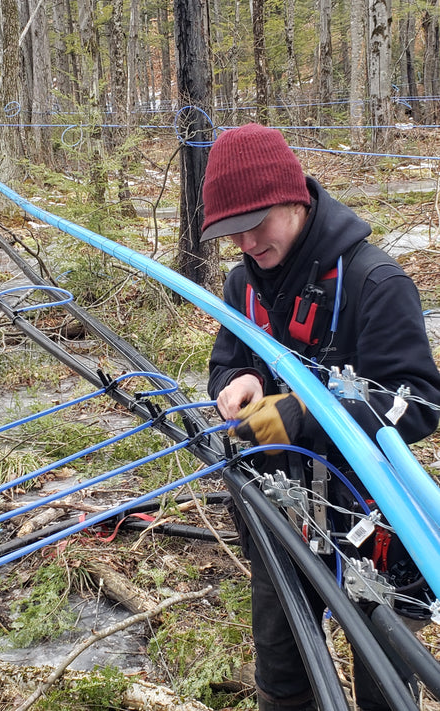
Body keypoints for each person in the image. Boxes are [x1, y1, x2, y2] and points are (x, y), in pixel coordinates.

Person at [201, 123, 440, 711]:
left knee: (383, 679)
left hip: (366, 518)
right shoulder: (241, 284)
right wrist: (237, 383)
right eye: (231, 233)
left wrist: (307, 413)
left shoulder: (372, 282)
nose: (246, 243)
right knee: (283, 677)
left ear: (295, 199)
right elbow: (224, 364)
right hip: (276, 512)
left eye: (256, 224)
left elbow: (419, 403)